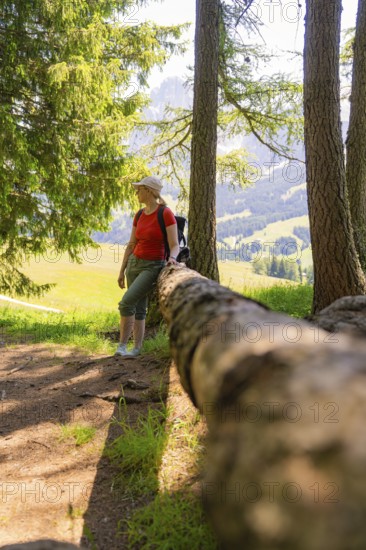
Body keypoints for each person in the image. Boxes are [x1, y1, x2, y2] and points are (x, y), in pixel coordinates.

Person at [115, 176, 180, 357]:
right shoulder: (139, 214)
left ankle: (121, 347)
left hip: (152, 266)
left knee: (126, 303)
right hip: (134, 264)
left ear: (150, 191)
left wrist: (172, 259)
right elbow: (131, 244)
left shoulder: (165, 213)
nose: (137, 193)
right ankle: (136, 349)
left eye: (140, 189)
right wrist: (122, 270)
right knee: (140, 308)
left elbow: (174, 244)